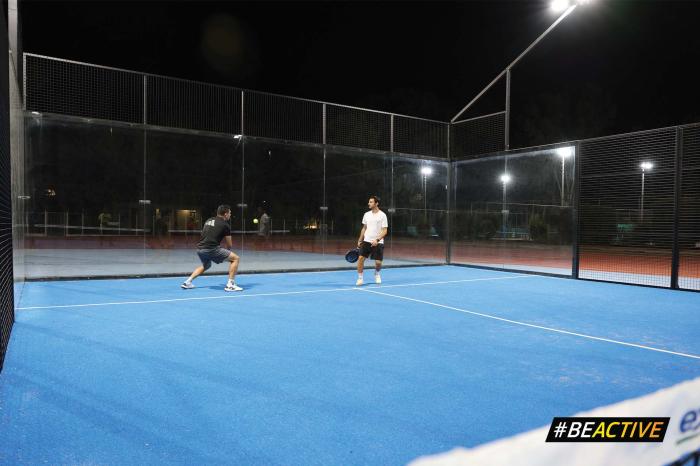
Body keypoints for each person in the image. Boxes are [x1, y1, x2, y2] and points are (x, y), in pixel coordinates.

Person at [181, 204, 243, 292]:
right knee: (235, 258)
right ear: (225, 214)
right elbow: (229, 245)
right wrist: (226, 253)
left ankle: (187, 282)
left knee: (206, 265)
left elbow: (206, 234)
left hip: (200, 249)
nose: (230, 215)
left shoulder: (208, 220)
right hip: (211, 249)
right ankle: (230, 285)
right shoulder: (225, 225)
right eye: (230, 213)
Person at [356, 195, 388, 286]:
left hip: (378, 242)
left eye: (371, 202)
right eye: (369, 202)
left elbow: (385, 230)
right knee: (360, 258)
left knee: (378, 263)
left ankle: (377, 273)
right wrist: (360, 240)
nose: (368, 203)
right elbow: (364, 228)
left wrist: (377, 240)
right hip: (366, 241)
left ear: (376, 203)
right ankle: (360, 278)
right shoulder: (366, 214)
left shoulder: (383, 215)